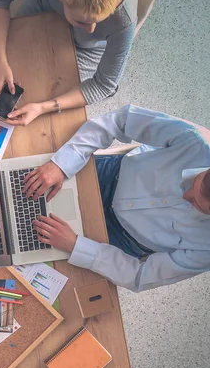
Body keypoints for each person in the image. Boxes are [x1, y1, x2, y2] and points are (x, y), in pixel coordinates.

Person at [21, 105, 210, 292]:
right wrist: (63, 164)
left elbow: (140, 276)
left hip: (119, 242)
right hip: (107, 176)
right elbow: (122, 119)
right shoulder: (195, 142)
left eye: (197, 206)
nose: (185, 195)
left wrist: (76, 247)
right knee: (19, 186)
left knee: (25, 255)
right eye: (192, 181)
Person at [0, 0, 137, 126]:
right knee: (0, 72)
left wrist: (44, 108)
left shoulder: (124, 21)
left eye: (99, 21)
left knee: (48, 96)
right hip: (41, 12)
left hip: (86, 50)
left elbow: (104, 85)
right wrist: (1, 61)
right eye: (83, 21)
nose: (91, 30)